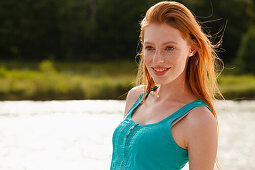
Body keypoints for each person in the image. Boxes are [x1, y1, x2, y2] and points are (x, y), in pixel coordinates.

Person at [110, 1, 223, 170]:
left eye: (169, 48)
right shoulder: (136, 97)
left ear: (192, 48)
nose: (157, 60)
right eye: (150, 47)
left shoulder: (199, 119)